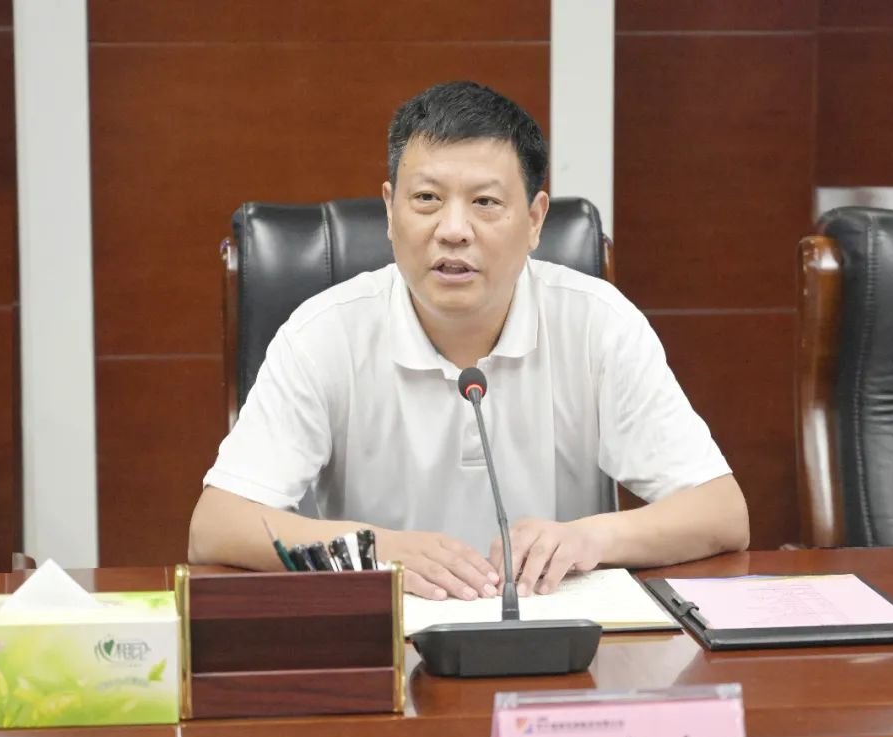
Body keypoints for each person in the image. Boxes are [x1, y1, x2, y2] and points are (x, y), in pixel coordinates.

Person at [189, 80, 749, 601]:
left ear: (535, 220)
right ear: (390, 211)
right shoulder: (324, 333)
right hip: (390, 640)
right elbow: (216, 526)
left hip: (555, 638)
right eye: (426, 199)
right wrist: (377, 549)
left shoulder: (598, 323)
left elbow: (722, 513)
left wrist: (590, 538)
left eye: (485, 203)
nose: (453, 230)